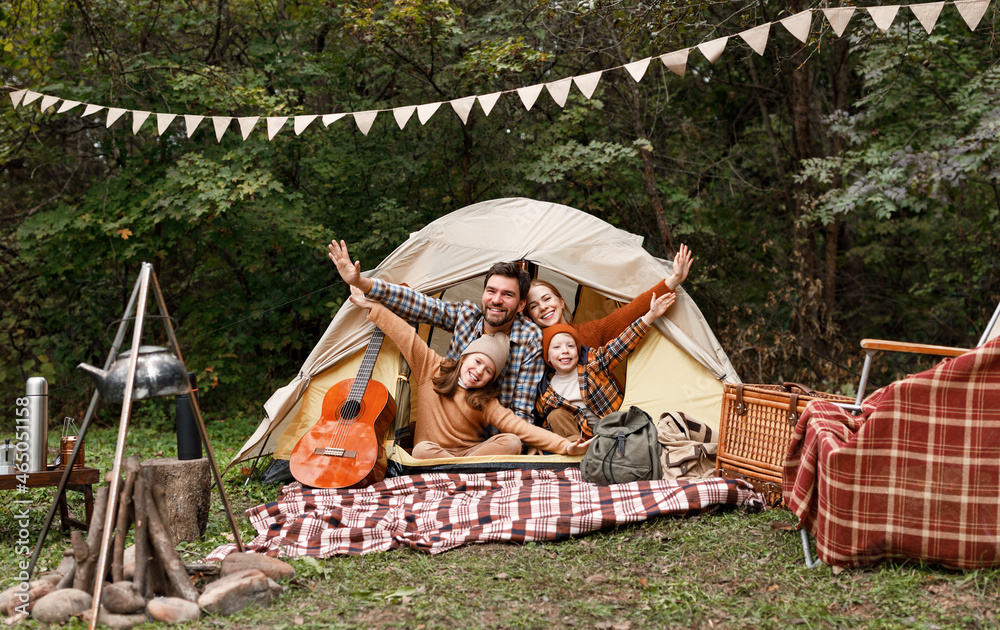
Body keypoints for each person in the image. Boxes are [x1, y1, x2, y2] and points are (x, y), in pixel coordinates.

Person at [348, 286, 592, 458]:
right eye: (476, 362)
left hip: (469, 454)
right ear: (464, 357)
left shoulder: (485, 401)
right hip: (433, 450)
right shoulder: (432, 368)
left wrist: (564, 446)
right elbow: (405, 335)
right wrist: (372, 306)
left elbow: (521, 427)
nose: (478, 372)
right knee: (422, 449)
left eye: (488, 371)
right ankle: (453, 466)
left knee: (511, 441)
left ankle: (452, 467)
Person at [329, 240, 543, 423]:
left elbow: (521, 408)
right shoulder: (467, 315)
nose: (496, 300)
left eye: (507, 295)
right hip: (446, 421)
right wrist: (362, 283)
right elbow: (418, 303)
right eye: (491, 291)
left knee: (509, 443)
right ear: (484, 293)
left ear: (521, 305)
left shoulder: (530, 337)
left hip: (492, 434)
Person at [535, 291, 675, 441]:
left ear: (578, 349)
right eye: (556, 348)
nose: (565, 351)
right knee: (555, 415)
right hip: (582, 438)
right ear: (547, 357)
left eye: (570, 346)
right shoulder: (546, 391)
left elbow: (622, 343)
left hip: (614, 432)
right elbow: (543, 422)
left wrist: (651, 316)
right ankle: (575, 449)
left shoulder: (593, 363)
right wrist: (537, 442)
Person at [525, 243, 693, 349]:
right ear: (529, 316)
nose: (543, 307)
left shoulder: (587, 333)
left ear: (562, 302)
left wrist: (672, 281)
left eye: (547, 298)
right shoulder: (532, 346)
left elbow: (626, 315)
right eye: (533, 306)